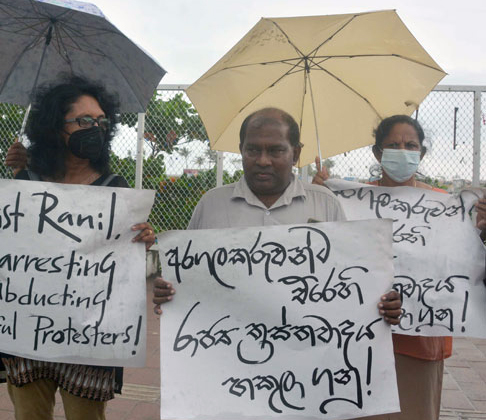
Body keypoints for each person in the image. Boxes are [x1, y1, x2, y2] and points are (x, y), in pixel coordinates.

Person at [0, 76, 155, 420]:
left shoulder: (116, 188)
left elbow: (121, 261)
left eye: (101, 122)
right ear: (55, 127)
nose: (95, 129)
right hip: (26, 334)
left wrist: (143, 239)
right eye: (85, 121)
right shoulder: (25, 183)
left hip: (88, 340)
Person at [152, 107, 402, 319]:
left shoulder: (326, 204)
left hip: (304, 348)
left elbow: (347, 279)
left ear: (296, 154)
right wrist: (169, 290)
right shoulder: (211, 205)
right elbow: (186, 277)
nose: (263, 160)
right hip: (223, 346)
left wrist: (377, 303)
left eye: (275, 151)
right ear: (241, 149)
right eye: (253, 150)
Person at [312, 114, 464, 420]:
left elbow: (459, 266)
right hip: (361, 337)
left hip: (420, 342)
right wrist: (321, 196)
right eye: (393, 145)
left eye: (410, 145)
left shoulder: (442, 204)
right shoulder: (350, 201)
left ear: (421, 153)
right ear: (377, 153)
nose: (402, 151)